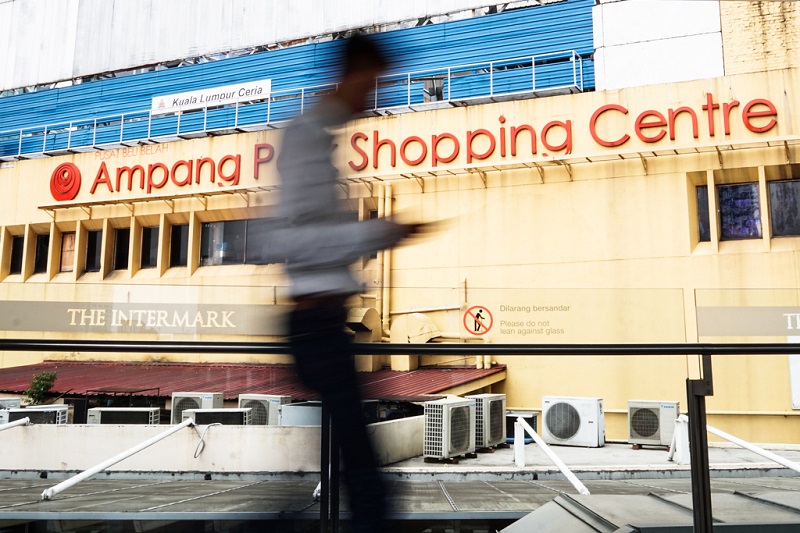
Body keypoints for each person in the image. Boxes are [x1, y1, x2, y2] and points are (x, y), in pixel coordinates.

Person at [275, 34, 422, 533]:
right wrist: (384, 232)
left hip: (323, 324)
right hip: (314, 323)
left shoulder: (319, 135)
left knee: (360, 467)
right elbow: (299, 236)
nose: (376, 95)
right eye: (374, 82)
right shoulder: (306, 136)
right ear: (353, 73)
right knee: (364, 477)